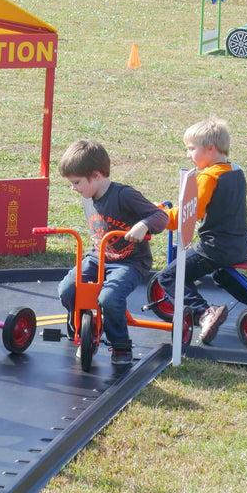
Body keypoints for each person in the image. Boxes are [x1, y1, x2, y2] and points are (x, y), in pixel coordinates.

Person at [57, 140, 169, 367]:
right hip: (98, 256)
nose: (73, 188)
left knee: (109, 298)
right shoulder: (88, 195)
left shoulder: (124, 195)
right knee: (67, 289)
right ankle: (79, 326)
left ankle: (120, 345)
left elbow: (161, 217)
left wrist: (144, 225)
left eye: (76, 182)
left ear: (96, 175)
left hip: (129, 262)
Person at [154, 117, 247, 345]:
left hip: (214, 248)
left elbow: (190, 214)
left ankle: (204, 312)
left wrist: (159, 217)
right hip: (240, 245)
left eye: (191, 149)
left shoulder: (208, 177)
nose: (188, 155)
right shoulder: (236, 171)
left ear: (210, 149)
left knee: (168, 277)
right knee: (223, 275)